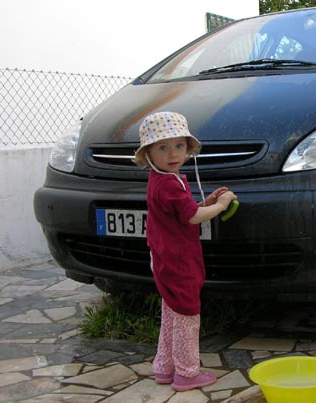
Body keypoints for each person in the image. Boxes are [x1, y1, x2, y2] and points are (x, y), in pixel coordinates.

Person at [134, 111, 237, 392]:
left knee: (172, 311)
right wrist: (221, 205)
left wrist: (208, 201)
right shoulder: (168, 183)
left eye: (179, 145)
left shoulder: (164, 179)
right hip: (177, 259)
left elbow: (183, 211)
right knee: (187, 313)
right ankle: (187, 372)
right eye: (162, 147)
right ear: (148, 153)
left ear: (187, 147)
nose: (173, 154)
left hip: (167, 256)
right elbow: (192, 217)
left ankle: (165, 367)